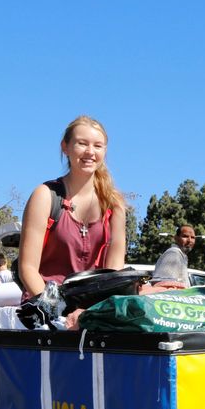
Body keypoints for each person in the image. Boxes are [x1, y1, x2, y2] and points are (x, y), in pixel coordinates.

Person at [16, 116, 127, 327]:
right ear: (65, 147)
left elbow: (114, 273)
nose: (90, 152)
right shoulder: (45, 195)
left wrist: (93, 314)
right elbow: (27, 268)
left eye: (98, 146)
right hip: (45, 311)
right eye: (82, 143)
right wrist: (58, 314)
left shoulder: (114, 204)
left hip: (91, 314)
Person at [149, 224, 195, 290]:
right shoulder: (174, 254)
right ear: (176, 238)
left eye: (193, 237)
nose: (189, 240)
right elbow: (162, 285)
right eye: (185, 236)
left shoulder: (181, 256)